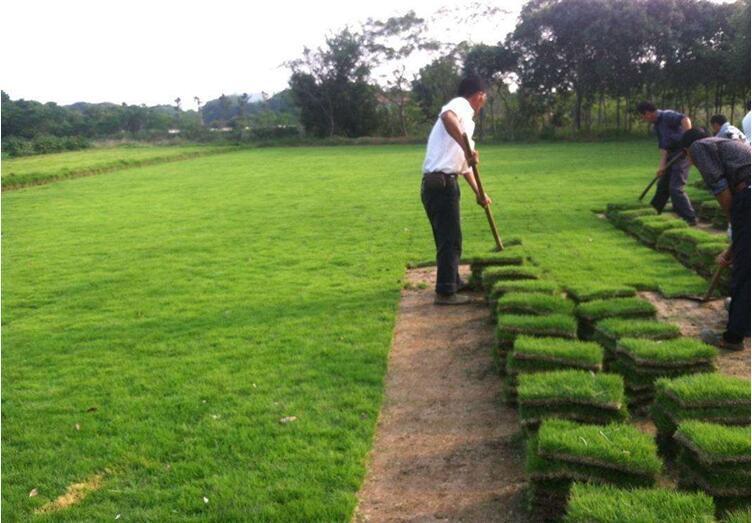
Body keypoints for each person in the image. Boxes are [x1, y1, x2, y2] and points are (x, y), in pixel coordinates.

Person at [421, 75, 492, 305]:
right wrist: (465, 147)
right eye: (484, 96)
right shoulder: (460, 105)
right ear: (478, 95)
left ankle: (452, 280)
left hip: (439, 184)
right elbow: (446, 116)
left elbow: (466, 167)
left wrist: (479, 193)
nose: (485, 100)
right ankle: (445, 293)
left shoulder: (467, 124)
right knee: (450, 239)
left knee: (449, 238)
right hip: (441, 185)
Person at [680, 129, 751, 350]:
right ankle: (743, 322)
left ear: (686, 151)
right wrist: (732, 249)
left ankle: (733, 338)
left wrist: (736, 228)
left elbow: (722, 190)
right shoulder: (726, 144)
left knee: (744, 272)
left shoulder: (699, 147)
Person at [637, 101, 696, 224]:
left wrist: (688, 141)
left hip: (683, 154)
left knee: (675, 188)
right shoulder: (656, 126)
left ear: (647, 113)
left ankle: (689, 218)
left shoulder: (667, 115)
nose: (643, 119)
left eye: (642, 116)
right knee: (662, 185)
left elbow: (685, 119)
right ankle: (653, 211)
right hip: (671, 155)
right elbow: (663, 148)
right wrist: (661, 167)